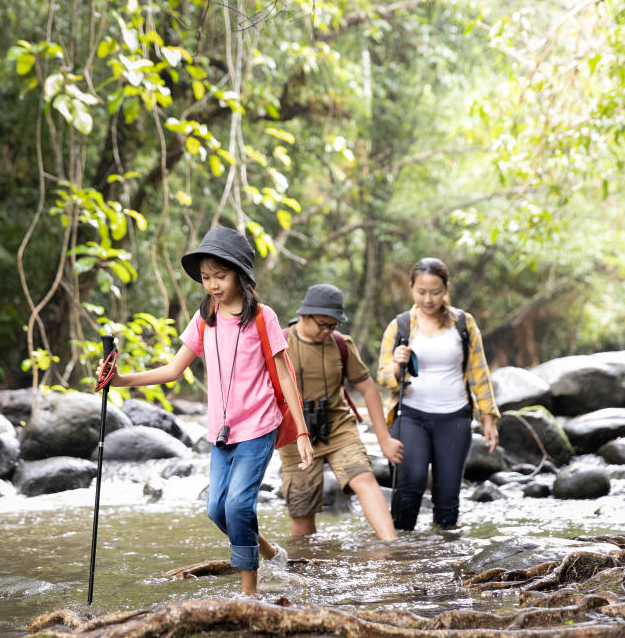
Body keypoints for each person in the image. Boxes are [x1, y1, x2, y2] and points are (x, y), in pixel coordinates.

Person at [105, 226, 314, 596]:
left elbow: (285, 377)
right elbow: (172, 370)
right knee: (218, 510)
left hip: (260, 425)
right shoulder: (205, 318)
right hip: (222, 431)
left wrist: (301, 432)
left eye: (221, 275)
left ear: (241, 274)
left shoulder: (263, 318)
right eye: (205, 277)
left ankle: (250, 595)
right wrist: (120, 380)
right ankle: (267, 549)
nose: (213, 284)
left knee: (237, 505)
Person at [376, 258, 500, 531]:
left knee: (448, 493)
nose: (428, 299)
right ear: (411, 289)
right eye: (421, 292)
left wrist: (488, 418)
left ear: (446, 289)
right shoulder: (400, 326)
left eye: (435, 292)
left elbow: (479, 373)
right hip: (410, 416)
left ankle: (444, 558)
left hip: (454, 417)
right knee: (410, 485)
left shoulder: (463, 324)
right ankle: (400, 554)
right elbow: (383, 377)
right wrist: (397, 364)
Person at [279, 284, 402, 541]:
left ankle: (391, 547)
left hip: (338, 428)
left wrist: (384, 439)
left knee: (364, 478)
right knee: (302, 510)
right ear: (304, 315)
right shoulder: (280, 343)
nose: (327, 331)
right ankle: (309, 567)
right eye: (322, 324)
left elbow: (369, 390)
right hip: (295, 433)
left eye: (333, 326)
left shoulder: (341, 345)